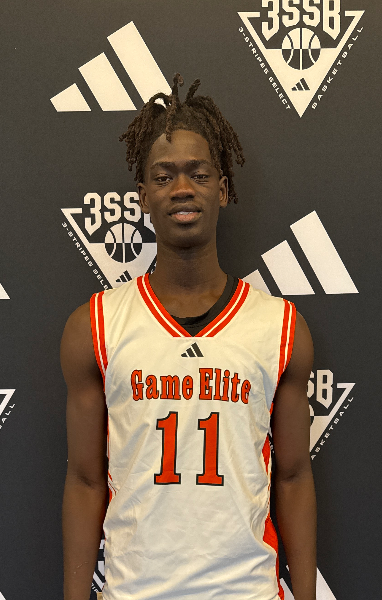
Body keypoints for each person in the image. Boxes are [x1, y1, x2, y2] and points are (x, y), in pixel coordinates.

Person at [61, 74, 316, 600]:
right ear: (143, 196)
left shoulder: (279, 326)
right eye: (163, 176)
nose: (182, 188)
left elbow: (292, 477)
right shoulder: (96, 326)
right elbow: (85, 481)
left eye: (198, 174)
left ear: (222, 188)